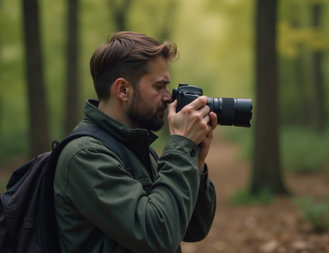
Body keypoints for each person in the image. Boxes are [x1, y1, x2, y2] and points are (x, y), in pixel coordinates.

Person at [54, 31, 218, 253]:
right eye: (159, 86)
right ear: (123, 90)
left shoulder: (137, 148)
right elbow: (157, 235)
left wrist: (194, 164)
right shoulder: (85, 155)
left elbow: (193, 229)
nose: (169, 97)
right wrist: (180, 145)